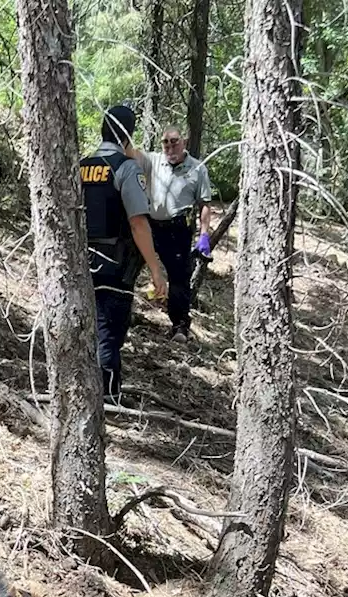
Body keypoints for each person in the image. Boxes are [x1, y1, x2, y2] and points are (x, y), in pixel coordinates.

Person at [79, 104, 167, 401]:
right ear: (128, 135)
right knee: (109, 332)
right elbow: (138, 222)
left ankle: (84, 392)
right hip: (114, 266)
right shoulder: (126, 168)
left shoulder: (80, 165)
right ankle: (107, 398)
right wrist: (155, 269)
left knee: (84, 330)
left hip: (79, 261)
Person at [134, 126, 213, 341]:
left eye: (174, 141)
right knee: (129, 266)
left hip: (177, 230)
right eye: (165, 142)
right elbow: (130, 153)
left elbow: (205, 203)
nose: (170, 146)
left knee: (178, 278)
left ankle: (179, 325)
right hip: (149, 226)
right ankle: (121, 310)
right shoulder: (153, 160)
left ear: (184, 142)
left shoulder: (197, 169)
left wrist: (204, 234)